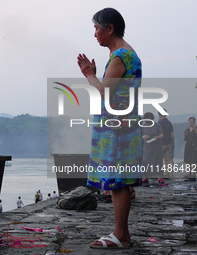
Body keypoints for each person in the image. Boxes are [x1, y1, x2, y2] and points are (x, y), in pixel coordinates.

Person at [77, 8, 142, 249]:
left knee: (118, 182)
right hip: (121, 127)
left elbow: (104, 92)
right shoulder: (123, 54)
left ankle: (119, 235)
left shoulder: (121, 57)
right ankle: (121, 234)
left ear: (109, 28)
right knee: (119, 181)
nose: (94, 33)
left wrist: (89, 75)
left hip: (118, 130)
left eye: (96, 28)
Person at [141, 112, 164, 183]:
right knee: (146, 162)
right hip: (147, 146)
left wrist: (157, 137)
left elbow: (162, 135)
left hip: (156, 146)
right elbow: (139, 135)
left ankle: (159, 177)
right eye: (146, 121)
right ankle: (145, 177)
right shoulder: (143, 126)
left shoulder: (157, 125)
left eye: (148, 121)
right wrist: (143, 137)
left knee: (158, 161)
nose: (147, 123)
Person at [158, 110, 174, 177]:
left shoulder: (159, 123)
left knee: (159, 160)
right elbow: (171, 135)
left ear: (160, 115)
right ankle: (167, 174)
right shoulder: (169, 123)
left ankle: (160, 174)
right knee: (167, 160)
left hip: (161, 144)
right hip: (168, 144)